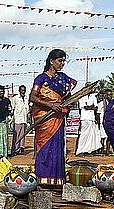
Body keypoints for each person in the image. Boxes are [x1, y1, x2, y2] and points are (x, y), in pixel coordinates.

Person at [30, 49, 77, 187]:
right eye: (59, 61)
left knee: (57, 147)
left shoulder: (63, 78)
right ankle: (43, 179)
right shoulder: (41, 78)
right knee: (45, 148)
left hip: (58, 118)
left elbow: (68, 97)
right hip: (44, 119)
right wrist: (50, 105)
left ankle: (57, 180)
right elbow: (32, 97)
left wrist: (69, 102)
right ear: (51, 61)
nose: (62, 64)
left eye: (63, 61)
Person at [76, 89, 102, 155]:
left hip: (91, 118)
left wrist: (89, 107)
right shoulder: (81, 97)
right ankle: (80, 151)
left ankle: (88, 151)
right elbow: (83, 107)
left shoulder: (93, 97)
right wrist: (91, 107)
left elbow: (96, 107)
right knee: (83, 135)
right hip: (84, 118)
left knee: (91, 135)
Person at [10, 85, 29, 156]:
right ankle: (15, 149)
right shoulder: (15, 98)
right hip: (17, 119)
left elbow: (28, 108)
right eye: (22, 90)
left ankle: (21, 149)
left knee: (22, 135)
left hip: (24, 120)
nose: (23, 92)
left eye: (24, 90)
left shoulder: (27, 98)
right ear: (19, 90)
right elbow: (12, 108)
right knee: (17, 135)